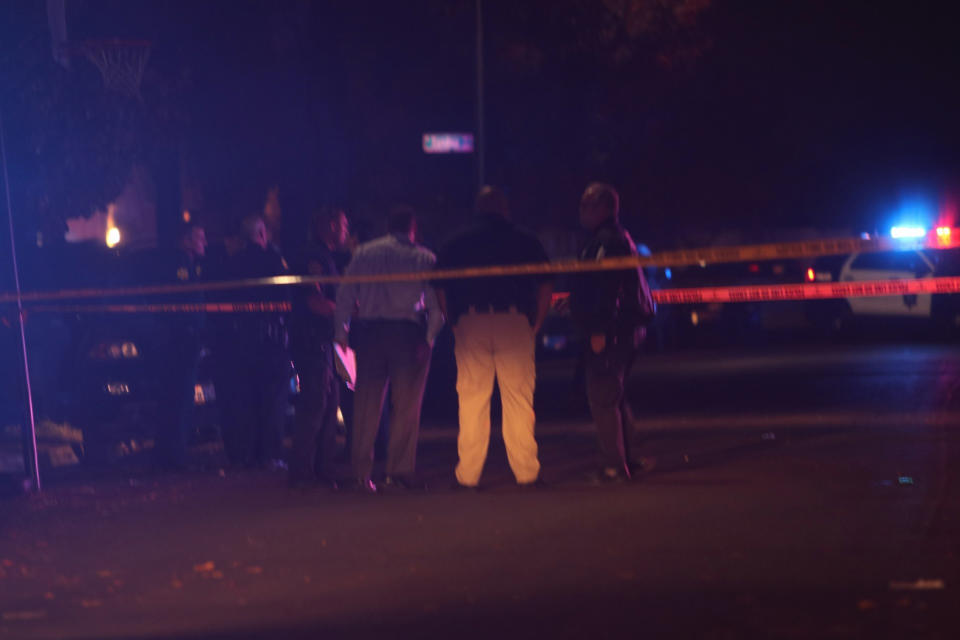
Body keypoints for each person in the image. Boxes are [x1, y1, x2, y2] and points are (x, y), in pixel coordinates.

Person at [434, 186, 553, 489]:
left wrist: (453, 322)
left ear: (478, 208)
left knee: (472, 401)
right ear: (505, 208)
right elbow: (545, 284)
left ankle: (468, 476)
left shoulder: (457, 242)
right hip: (514, 322)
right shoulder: (525, 240)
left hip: (471, 322)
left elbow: (440, 287)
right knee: (518, 400)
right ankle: (527, 473)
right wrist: (536, 322)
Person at [334, 207, 443, 492]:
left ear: (387, 226)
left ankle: (361, 473)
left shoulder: (364, 253)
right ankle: (398, 471)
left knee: (366, 405)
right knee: (406, 406)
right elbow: (435, 306)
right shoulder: (424, 257)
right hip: (407, 333)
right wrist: (429, 339)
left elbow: (345, 295)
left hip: (369, 333)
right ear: (413, 228)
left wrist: (341, 334)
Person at [569, 183, 655, 483]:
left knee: (603, 397)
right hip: (625, 329)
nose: (581, 211)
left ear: (603, 208)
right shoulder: (617, 238)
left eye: (586, 205)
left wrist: (598, 329)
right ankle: (631, 458)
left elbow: (607, 289)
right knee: (614, 396)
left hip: (612, 330)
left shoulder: (607, 242)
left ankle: (613, 466)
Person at [215, 214, 291, 471]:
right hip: (270, 340)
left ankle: (246, 454)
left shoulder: (230, 263)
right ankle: (270, 454)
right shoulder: (273, 260)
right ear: (260, 235)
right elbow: (285, 297)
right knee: (272, 399)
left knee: (246, 399)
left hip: (240, 341)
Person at [288, 207, 349, 487]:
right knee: (314, 406)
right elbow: (315, 302)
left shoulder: (325, 257)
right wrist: (347, 311)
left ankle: (323, 468)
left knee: (328, 403)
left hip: (323, 343)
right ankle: (302, 472)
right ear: (330, 227)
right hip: (313, 342)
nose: (346, 230)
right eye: (343, 224)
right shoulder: (314, 258)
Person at [154, 222, 207, 470]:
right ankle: (173, 457)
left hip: (183, 339)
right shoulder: (179, 265)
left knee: (179, 398)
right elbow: (183, 302)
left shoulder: (188, 263)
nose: (204, 243)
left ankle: (174, 454)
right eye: (199, 237)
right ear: (185, 240)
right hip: (180, 340)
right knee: (179, 398)